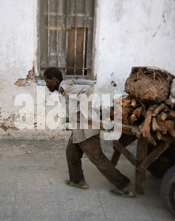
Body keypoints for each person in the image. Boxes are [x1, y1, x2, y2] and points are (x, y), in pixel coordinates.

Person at [44, 67, 134, 197]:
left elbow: (91, 91)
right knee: (71, 153)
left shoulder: (66, 88)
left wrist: (82, 111)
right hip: (79, 129)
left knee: (98, 159)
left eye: (47, 81)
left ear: (54, 80)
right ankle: (78, 180)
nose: (46, 84)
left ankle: (122, 183)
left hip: (86, 130)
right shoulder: (64, 89)